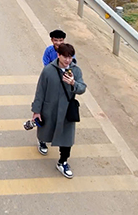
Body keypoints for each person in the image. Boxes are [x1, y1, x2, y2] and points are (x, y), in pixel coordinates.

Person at [31, 43, 86, 178]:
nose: (68, 60)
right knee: (45, 130)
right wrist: (36, 110)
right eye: (65, 57)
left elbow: (82, 88)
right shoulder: (48, 70)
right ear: (58, 55)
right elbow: (40, 91)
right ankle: (42, 141)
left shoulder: (76, 71)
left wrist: (73, 83)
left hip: (67, 111)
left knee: (67, 138)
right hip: (49, 108)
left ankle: (63, 161)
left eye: (70, 57)